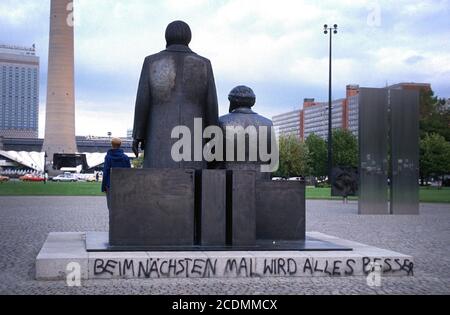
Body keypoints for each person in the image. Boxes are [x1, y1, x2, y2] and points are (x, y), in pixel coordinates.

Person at [132, 20, 219, 170]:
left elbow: (142, 101)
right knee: (192, 185)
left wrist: (138, 134)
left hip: (158, 136)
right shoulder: (204, 64)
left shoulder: (151, 62)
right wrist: (213, 137)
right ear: (189, 37)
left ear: (167, 37)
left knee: (157, 183)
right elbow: (211, 105)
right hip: (194, 138)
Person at [102, 138, 131, 210]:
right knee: (122, 206)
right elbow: (129, 172)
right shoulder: (125, 157)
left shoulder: (108, 157)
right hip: (122, 184)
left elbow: (106, 172)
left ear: (112, 145)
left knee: (111, 207)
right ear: (120, 145)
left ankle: (112, 220)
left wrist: (103, 186)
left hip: (110, 184)